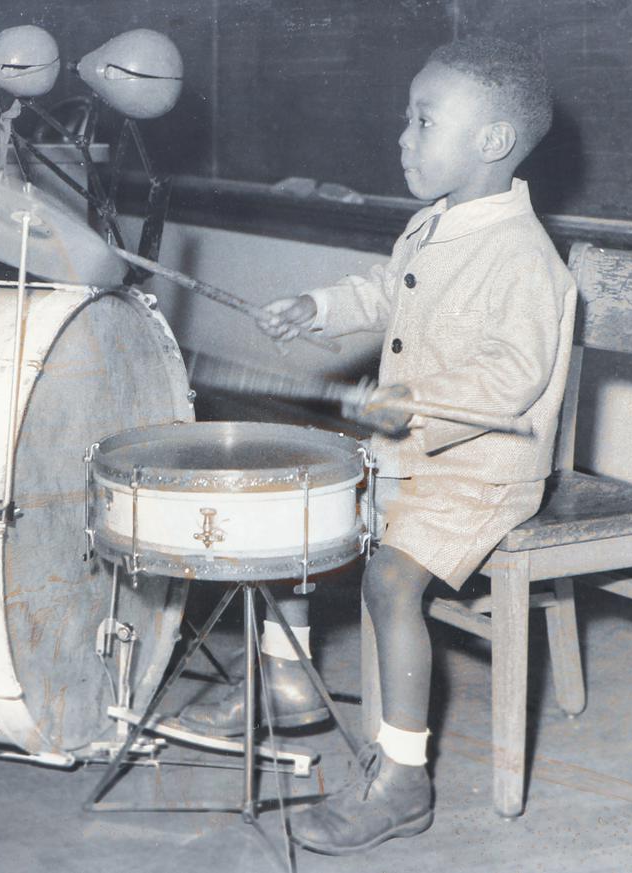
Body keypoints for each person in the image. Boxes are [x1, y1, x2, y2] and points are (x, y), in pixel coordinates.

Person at [179, 35, 577, 855]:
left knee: (391, 583)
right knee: (294, 510)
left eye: (423, 121)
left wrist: (417, 404)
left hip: (482, 472)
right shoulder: (433, 224)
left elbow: (511, 377)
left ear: (492, 143)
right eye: (407, 117)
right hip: (408, 456)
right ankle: (284, 676)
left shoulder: (525, 258)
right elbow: (384, 291)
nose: (403, 136)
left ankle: (403, 779)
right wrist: (318, 306)